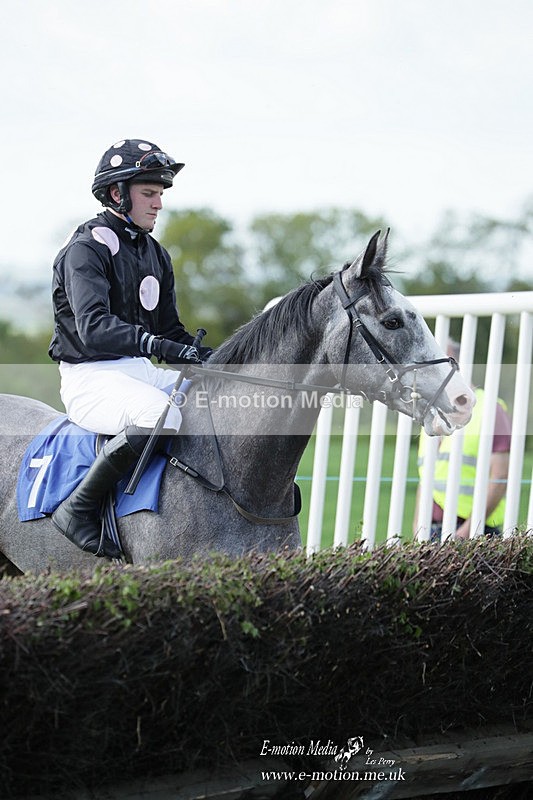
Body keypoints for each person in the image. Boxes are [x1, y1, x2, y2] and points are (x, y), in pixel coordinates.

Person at [48, 138, 212, 558]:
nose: (158, 204)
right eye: (149, 194)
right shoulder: (85, 249)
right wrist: (153, 343)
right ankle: (78, 509)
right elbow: (94, 329)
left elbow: (168, 330)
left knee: (216, 399)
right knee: (158, 413)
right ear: (118, 194)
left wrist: (206, 358)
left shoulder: (155, 253)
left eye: (160, 194)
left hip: (139, 371)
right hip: (90, 378)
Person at [414, 340, 511, 542]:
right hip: (432, 530)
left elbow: (499, 478)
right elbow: (426, 478)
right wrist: (418, 528)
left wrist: (465, 533)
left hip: (475, 532)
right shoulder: (432, 412)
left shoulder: (490, 410)